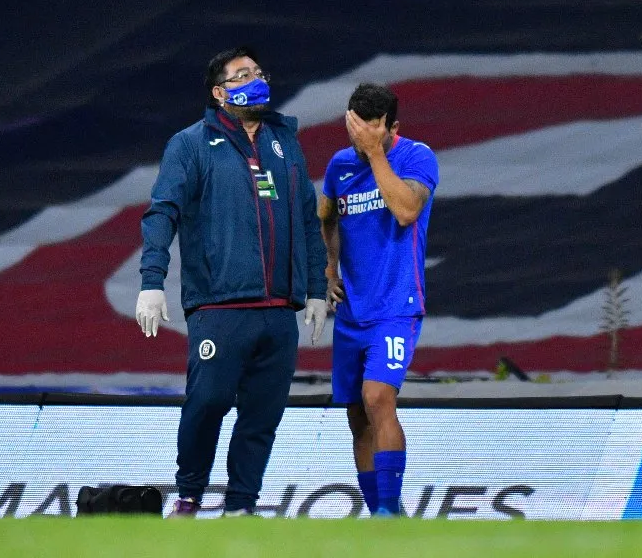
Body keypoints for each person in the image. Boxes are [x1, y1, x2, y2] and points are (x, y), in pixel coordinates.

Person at [136, 46, 328, 518]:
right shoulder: (190, 144)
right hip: (220, 305)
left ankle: (241, 505)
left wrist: (317, 289)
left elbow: (307, 218)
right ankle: (189, 496)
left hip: (280, 307)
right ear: (220, 92)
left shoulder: (285, 141)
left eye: (258, 71)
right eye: (243, 75)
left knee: (263, 416)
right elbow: (163, 212)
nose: (256, 79)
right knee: (209, 401)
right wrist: (151, 280)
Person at [318, 83, 439, 517]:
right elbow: (326, 216)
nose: (362, 139)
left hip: (397, 306)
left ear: (393, 128)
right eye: (356, 131)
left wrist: (374, 154)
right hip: (352, 313)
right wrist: (330, 266)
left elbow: (407, 210)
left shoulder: (416, 157)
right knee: (356, 417)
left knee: (378, 397)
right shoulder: (339, 166)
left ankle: (391, 511)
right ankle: (378, 516)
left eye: (372, 131)